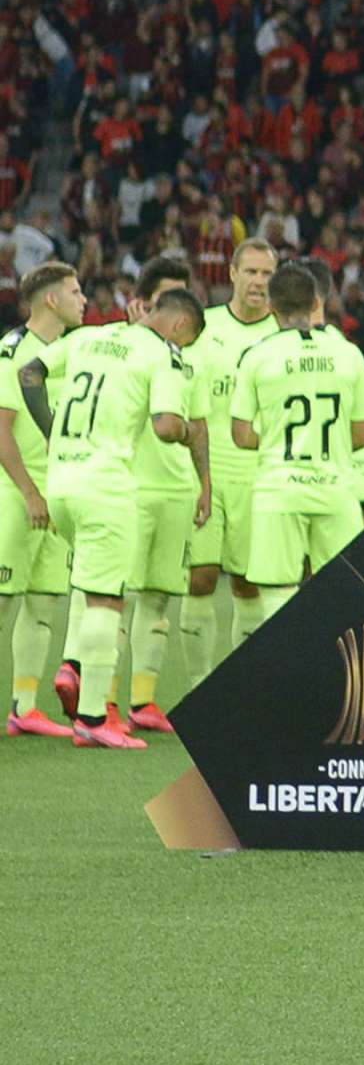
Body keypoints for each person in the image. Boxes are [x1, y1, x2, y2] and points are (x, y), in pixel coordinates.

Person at [16, 284, 204, 746]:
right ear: (179, 325)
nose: (182, 347)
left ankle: (75, 676)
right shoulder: (160, 356)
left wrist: (53, 431)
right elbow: (164, 425)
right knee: (107, 600)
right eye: (187, 339)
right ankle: (95, 721)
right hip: (106, 486)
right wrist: (182, 431)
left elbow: (30, 372)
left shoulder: (88, 337)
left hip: (61, 482)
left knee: (90, 586)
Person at [230, 263, 364, 640]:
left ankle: (284, 684)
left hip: (279, 488)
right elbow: (363, 434)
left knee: (277, 592)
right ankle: (335, 682)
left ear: (271, 308)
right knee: (342, 592)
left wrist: (278, 437)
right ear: (315, 303)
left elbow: (241, 434)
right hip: (336, 488)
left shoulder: (257, 356)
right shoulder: (348, 355)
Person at [180, 239, 279, 685]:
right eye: (252, 272)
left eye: (267, 274)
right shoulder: (205, 328)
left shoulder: (282, 334)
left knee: (247, 584)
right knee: (200, 579)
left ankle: (245, 688)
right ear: (233, 274)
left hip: (258, 479)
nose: (259, 282)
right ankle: (200, 689)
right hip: (205, 474)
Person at [119, 259, 210, 726]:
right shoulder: (120, 347)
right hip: (130, 486)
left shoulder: (184, 359)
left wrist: (205, 485)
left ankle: (141, 701)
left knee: (157, 598)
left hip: (176, 488)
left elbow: (198, 423)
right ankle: (101, 704)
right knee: (114, 596)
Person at [0, 263, 82, 738]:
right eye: (75, 291)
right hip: (15, 494)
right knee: (5, 602)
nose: (83, 299)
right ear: (51, 300)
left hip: (58, 495)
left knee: (42, 602)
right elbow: (1, 429)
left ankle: (24, 707)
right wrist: (30, 491)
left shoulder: (68, 353)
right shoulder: (13, 351)